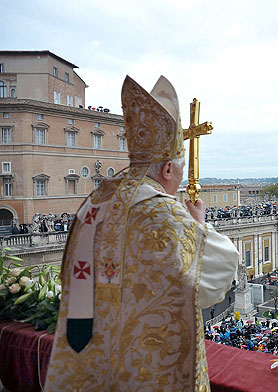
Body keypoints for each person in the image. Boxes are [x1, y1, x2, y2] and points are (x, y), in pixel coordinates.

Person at [45, 76, 240, 391]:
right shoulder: (163, 211)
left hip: (93, 351)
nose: (176, 181)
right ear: (166, 170)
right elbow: (215, 278)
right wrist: (199, 226)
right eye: (177, 173)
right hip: (148, 367)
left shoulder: (94, 204)